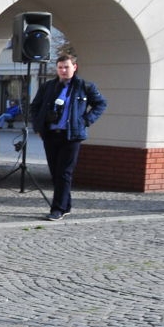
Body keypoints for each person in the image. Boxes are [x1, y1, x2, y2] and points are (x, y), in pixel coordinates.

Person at [29, 51, 107, 221]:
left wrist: (86, 120)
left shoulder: (84, 86)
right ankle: (66, 205)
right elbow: (35, 106)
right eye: (60, 67)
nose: (63, 70)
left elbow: (101, 104)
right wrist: (38, 126)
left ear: (74, 67)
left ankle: (57, 209)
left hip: (72, 135)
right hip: (51, 134)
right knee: (55, 172)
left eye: (66, 67)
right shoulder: (48, 86)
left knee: (64, 173)